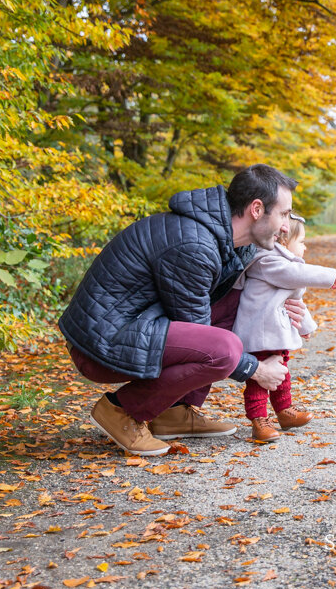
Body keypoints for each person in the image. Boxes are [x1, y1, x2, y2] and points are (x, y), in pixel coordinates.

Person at [59, 165, 303, 456]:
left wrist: (284, 313)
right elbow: (205, 340)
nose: (286, 226)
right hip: (101, 344)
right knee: (223, 348)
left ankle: (174, 411)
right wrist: (256, 369)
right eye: (284, 214)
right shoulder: (194, 243)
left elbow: (234, 304)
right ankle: (121, 411)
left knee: (234, 305)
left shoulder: (228, 242)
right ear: (256, 209)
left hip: (136, 326)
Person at [233, 214, 336, 442]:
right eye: (301, 241)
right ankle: (259, 420)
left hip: (275, 334)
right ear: (283, 241)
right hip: (259, 334)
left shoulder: (281, 264)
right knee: (260, 379)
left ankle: (284, 411)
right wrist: (329, 276)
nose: (305, 246)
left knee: (281, 374)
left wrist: (305, 326)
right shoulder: (267, 260)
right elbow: (296, 275)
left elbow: (294, 301)